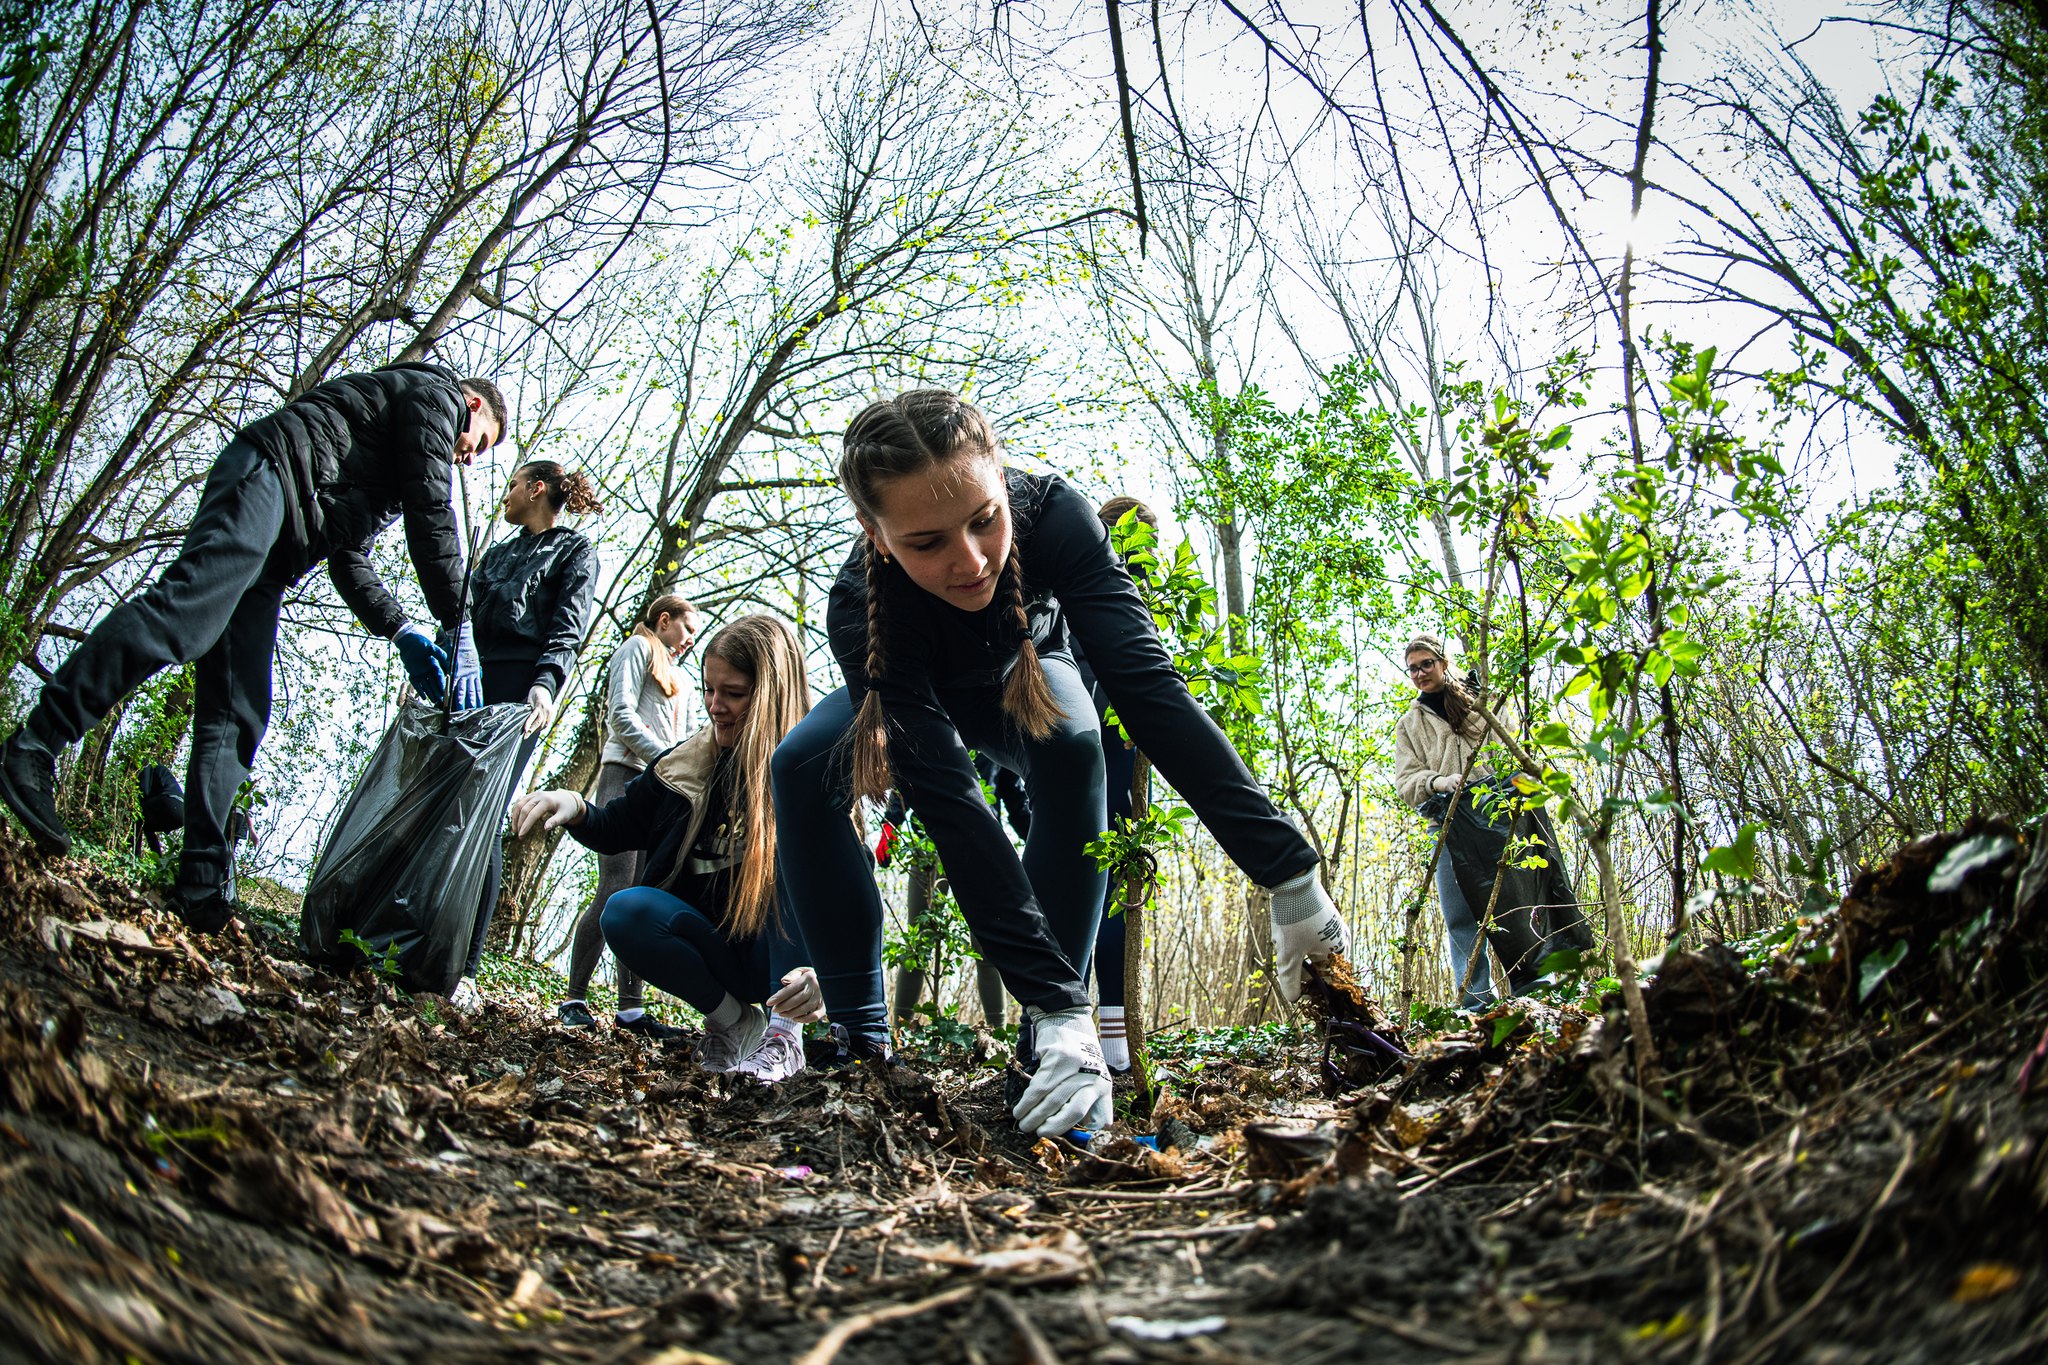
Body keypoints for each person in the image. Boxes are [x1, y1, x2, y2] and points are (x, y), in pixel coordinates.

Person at [770, 389, 1350, 1137]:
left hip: (1027, 672)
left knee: (1076, 747)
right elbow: (951, 806)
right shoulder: (859, 604)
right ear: (875, 533)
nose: (971, 561)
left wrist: (1289, 872)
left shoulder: (1055, 516)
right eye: (927, 543)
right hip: (913, 691)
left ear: (1001, 482)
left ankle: (1045, 1051)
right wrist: (1056, 996)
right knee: (797, 762)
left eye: (984, 520)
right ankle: (863, 1034)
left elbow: (1147, 688)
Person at [0, 363, 503, 932]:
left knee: (241, 705)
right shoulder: (435, 396)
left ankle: (202, 879)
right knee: (184, 617)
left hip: (281, 549)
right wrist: (457, 619)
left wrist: (401, 629)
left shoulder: (391, 466)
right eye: (476, 445)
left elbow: (348, 555)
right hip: (270, 476)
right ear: (473, 405)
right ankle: (36, 744)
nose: (468, 457)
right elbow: (432, 507)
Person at [512, 614, 823, 1082]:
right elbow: (617, 825)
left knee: (791, 860)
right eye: (709, 690)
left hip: (783, 965)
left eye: (733, 694)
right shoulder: (685, 765)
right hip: (715, 952)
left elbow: (844, 886)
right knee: (625, 909)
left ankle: (783, 1039)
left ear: (769, 696)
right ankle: (734, 1023)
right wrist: (572, 804)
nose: (715, 706)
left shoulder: (813, 771)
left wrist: (824, 970)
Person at [447, 460, 600, 1014]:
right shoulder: (497, 552)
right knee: (445, 804)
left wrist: (545, 684)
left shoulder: (574, 551)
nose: (504, 494)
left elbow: (569, 623)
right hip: (466, 679)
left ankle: (463, 966)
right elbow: (459, 614)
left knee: (484, 813)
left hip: (519, 687)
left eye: (512, 484)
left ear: (536, 489)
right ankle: (414, 929)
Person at [557, 593, 702, 1037]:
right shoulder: (637, 648)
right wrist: (667, 761)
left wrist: (686, 772)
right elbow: (619, 715)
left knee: (641, 896)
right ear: (664, 620)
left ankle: (631, 1012)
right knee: (615, 887)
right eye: (688, 628)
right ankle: (574, 1000)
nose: (691, 640)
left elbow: (690, 737)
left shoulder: (682, 678)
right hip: (625, 773)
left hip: (665, 789)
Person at [1075, 494, 1159, 1073]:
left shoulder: (1150, 599)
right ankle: (1072, 1016)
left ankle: (1114, 1022)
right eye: (1130, 539)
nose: (1138, 554)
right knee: (1080, 885)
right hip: (1081, 759)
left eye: (1147, 543)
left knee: (1115, 889)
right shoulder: (1075, 590)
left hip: (1124, 765)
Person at [1393, 634, 1495, 1009]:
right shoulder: (1409, 724)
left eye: (1426, 664)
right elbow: (1405, 782)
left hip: (1495, 816)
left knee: (1515, 904)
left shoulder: (1479, 702)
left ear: (1443, 662)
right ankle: (1476, 1002)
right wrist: (1437, 781)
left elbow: (1509, 742)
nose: (1420, 673)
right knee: (1460, 916)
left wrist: (1481, 704)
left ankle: (1535, 988)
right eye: (1413, 668)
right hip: (1448, 825)